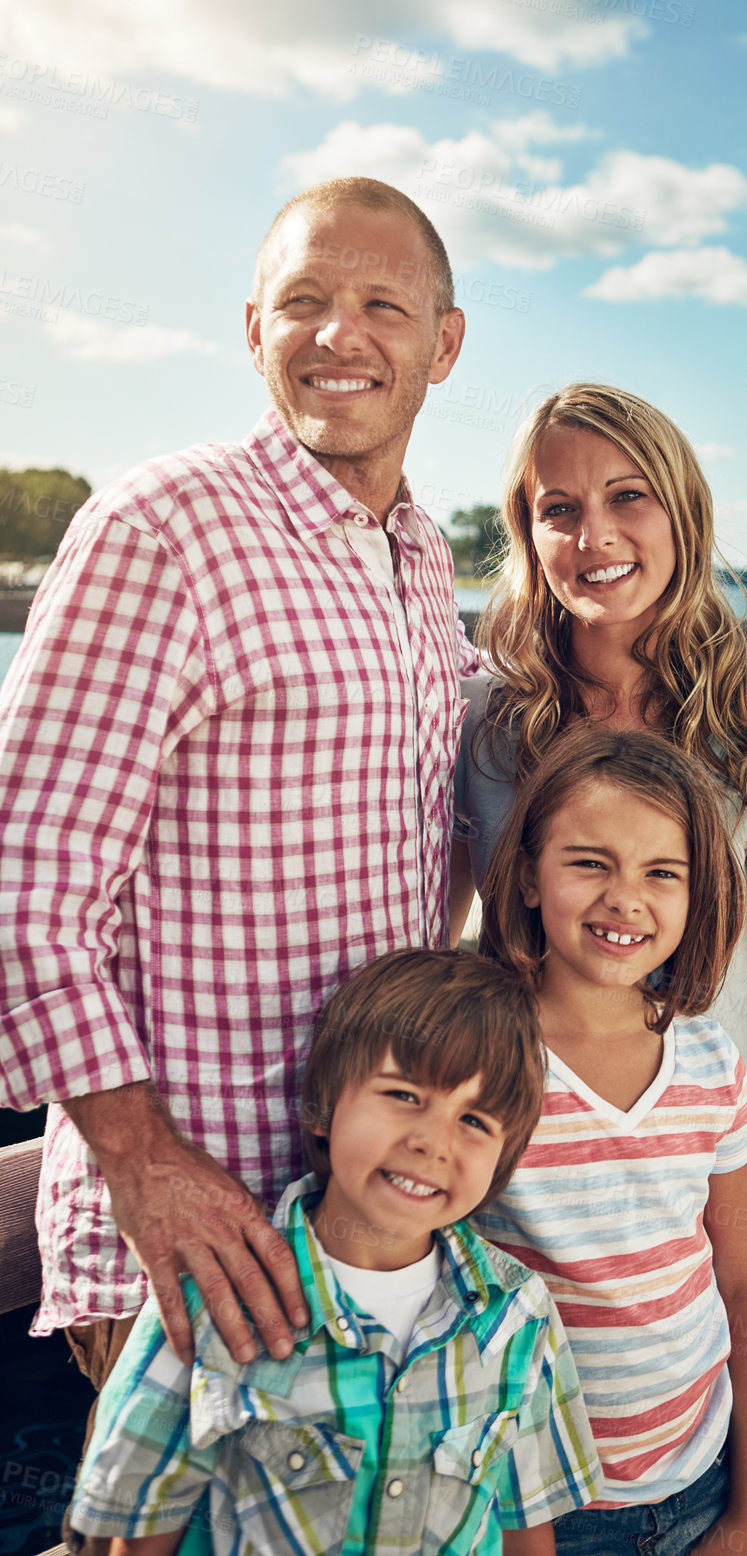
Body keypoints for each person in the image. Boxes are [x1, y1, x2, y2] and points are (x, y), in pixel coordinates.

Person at [0, 178, 474, 1407]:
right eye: (304, 301)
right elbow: (24, 885)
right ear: (252, 327)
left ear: (444, 342)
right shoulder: (163, 528)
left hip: (369, 1227)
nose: (339, 334)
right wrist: (145, 1165)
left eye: (381, 303)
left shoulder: (420, 558)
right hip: (200, 1236)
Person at [452, 383, 747, 1552]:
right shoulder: (485, 732)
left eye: (628, 497)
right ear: (524, 533)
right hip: (540, 1221)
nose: (595, 535)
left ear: (681, 513)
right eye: (557, 507)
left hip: (738, 1219)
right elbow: (455, 960)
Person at [66, 949, 603, 1556]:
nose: (433, 1142)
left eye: (475, 1121)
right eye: (403, 1095)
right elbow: (135, 1537)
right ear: (322, 1108)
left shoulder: (518, 1318)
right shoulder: (209, 1305)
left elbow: (525, 1527)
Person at [474, 726, 747, 1556]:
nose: (626, 898)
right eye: (589, 863)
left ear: (696, 895)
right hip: (539, 1515)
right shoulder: (481, 1063)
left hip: (698, 1483)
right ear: (531, 875)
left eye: (661, 873)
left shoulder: (712, 1062)